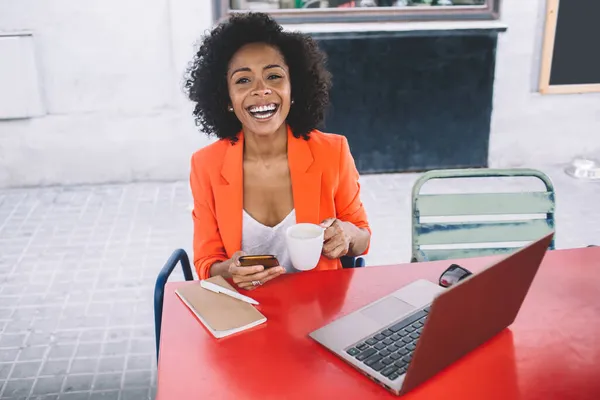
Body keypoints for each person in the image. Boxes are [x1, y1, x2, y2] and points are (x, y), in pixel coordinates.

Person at [184, 12, 371, 290]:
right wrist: (231, 270)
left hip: (321, 307)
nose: (261, 90)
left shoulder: (332, 151)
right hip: (245, 312)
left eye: (274, 76)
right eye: (243, 80)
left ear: (293, 89)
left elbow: (363, 238)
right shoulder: (206, 165)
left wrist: (346, 235)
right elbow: (206, 263)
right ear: (226, 98)